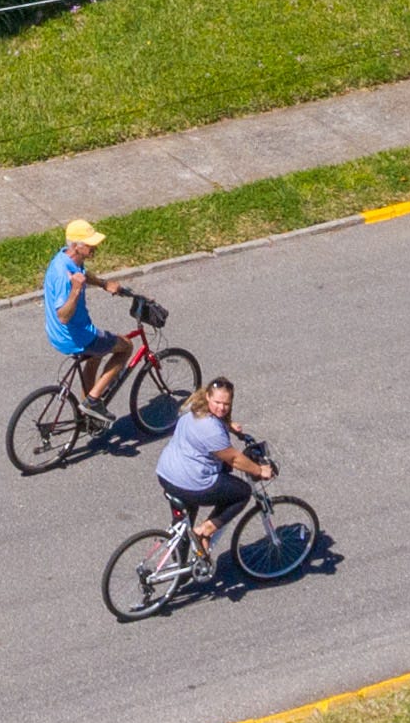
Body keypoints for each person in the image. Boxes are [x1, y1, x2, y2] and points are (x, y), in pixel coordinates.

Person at [154, 377, 272, 559]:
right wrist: (259, 470)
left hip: (168, 472)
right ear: (208, 397)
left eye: (226, 404)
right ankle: (205, 530)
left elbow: (213, 421)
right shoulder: (210, 428)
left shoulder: (193, 404)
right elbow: (234, 459)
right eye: (217, 402)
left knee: (184, 522)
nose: (221, 408)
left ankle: (180, 568)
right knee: (241, 492)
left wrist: (228, 425)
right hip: (190, 480)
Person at [43, 219, 132, 414]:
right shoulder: (63, 276)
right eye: (90, 244)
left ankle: (87, 411)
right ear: (76, 246)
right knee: (126, 346)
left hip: (59, 333)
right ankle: (92, 400)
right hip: (73, 336)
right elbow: (63, 316)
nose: (95, 247)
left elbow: (82, 272)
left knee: (97, 353)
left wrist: (103, 283)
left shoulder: (65, 258)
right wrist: (75, 290)